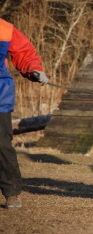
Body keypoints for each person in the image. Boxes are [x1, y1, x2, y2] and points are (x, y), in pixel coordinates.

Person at [0, 18, 49, 209]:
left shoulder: (5, 29)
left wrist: (34, 70)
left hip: (0, 95)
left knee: (2, 144)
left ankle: (11, 192)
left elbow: (24, 53)